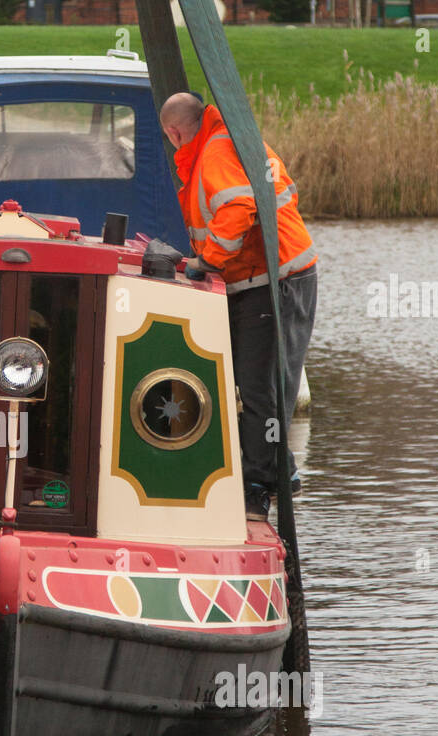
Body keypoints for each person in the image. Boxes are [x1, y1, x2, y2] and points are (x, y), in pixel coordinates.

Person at [160, 92, 318, 520]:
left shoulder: (215, 152)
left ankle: (259, 484)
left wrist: (207, 261)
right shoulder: (220, 144)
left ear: (175, 133)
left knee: (260, 389)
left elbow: (237, 206)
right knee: (256, 386)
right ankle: (275, 468)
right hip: (265, 278)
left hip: (274, 281)